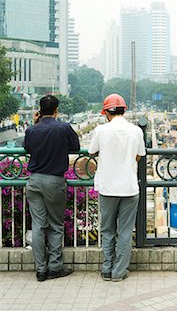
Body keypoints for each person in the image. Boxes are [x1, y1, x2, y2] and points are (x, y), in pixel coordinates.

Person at [88, 93, 146, 282]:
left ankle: (106, 268)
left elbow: (92, 151)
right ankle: (119, 272)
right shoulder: (136, 131)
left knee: (107, 230)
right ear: (124, 110)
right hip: (129, 188)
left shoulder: (101, 130)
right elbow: (139, 156)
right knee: (125, 231)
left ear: (106, 112)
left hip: (107, 188)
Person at [23, 95, 80, 282]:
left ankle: (41, 269)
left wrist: (35, 122)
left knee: (38, 225)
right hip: (54, 181)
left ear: (40, 109)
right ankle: (55, 266)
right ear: (57, 110)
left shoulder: (32, 129)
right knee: (55, 224)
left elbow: (27, 148)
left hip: (34, 181)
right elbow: (75, 147)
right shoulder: (63, 127)